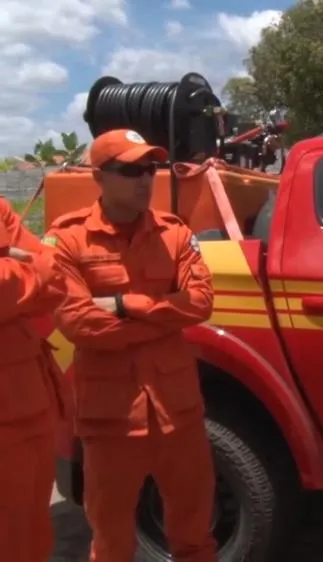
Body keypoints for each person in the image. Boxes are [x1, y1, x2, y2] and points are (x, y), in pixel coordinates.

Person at [44, 129, 217, 562]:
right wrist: (164, 317)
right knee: (112, 539)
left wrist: (124, 304)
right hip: (112, 419)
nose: (145, 179)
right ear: (100, 177)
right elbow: (80, 325)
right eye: (131, 170)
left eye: (151, 168)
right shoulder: (67, 239)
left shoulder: (174, 233)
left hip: (178, 413)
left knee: (195, 534)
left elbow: (201, 303)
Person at [0, 196, 68, 562]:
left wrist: (15, 271)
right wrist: (30, 270)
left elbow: (58, 280)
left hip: (28, 406)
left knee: (31, 530)